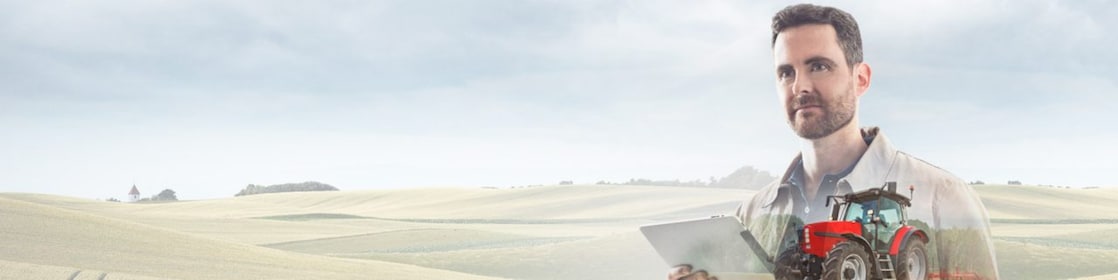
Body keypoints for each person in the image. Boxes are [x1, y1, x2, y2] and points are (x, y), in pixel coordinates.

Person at [669, 4, 999, 280]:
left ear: (861, 79)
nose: (800, 86)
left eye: (819, 66)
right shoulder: (752, 213)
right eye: (786, 72)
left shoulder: (945, 198)